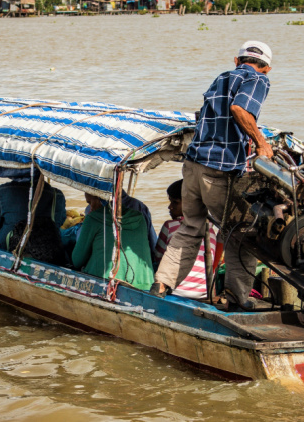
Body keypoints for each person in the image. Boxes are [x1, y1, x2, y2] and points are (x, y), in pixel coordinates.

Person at [151, 40, 274, 311]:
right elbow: (240, 109)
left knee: (191, 226)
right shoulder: (258, 79)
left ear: (237, 60)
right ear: (267, 68)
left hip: (193, 164)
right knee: (240, 232)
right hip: (218, 169)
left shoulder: (222, 78)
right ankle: (239, 297)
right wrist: (262, 143)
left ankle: (162, 283)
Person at [72, 193, 154, 291]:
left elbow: (77, 260)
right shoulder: (140, 218)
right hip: (145, 284)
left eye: (90, 202)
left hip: (106, 286)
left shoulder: (93, 218)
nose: (90, 208)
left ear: (100, 198)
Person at [153, 180, 217, 299]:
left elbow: (157, 258)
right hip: (204, 292)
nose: (170, 207)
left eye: (175, 203)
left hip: (177, 291)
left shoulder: (170, 226)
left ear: (190, 203)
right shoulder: (211, 230)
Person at [0, 175, 66, 252]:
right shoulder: (57, 195)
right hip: (48, 249)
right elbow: (60, 221)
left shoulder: (3, 190)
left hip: (7, 247)